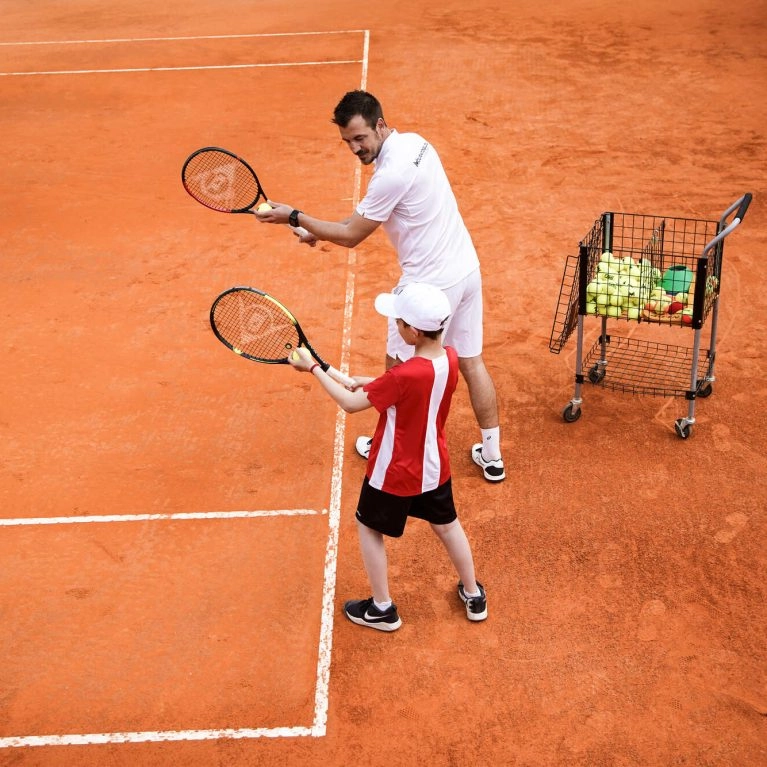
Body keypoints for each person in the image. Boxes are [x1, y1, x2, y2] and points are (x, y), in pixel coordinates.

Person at [256, 89, 505, 483]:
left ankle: (386, 442)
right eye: (348, 142)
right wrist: (316, 233)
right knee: (472, 361)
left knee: (397, 366)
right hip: (465, 270)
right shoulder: (417, 143)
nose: (355, 148)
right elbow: (355, 221)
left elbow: (352, 234)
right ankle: (492, 455)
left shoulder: (390, 174)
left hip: (426, 286)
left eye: (360, 138)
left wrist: (293, 216)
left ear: (381, 125)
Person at [288, 283, 487, 631]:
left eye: (398, 321)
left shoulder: (403, 375)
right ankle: (473, 594)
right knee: (447, 525)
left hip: (393, 472)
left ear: (413, 330)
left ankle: (382, 608)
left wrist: (313, 370)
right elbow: (409, 385)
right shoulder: (450, 358)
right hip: (434, 467)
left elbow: (352, 404)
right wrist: (374, 382)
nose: (395, 325)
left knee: (368, 526)